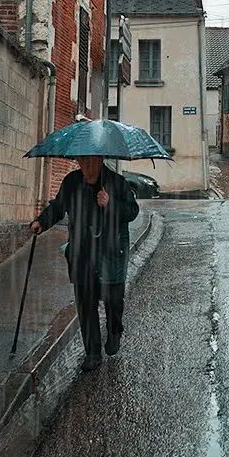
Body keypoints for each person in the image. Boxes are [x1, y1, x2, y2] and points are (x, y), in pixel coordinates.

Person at [30, 155, 139, 371]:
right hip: (83, 254)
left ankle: (114, 331)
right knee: (85, 305)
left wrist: (111, 204)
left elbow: (132, 212)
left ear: (100, 160)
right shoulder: (71, 182)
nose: (86, 165)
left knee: (113, 301)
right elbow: (58, 206)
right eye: (82, 161)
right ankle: (93, 353)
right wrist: (42, 221)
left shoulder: (117, 183)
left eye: (90, 161)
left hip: (110, 254)